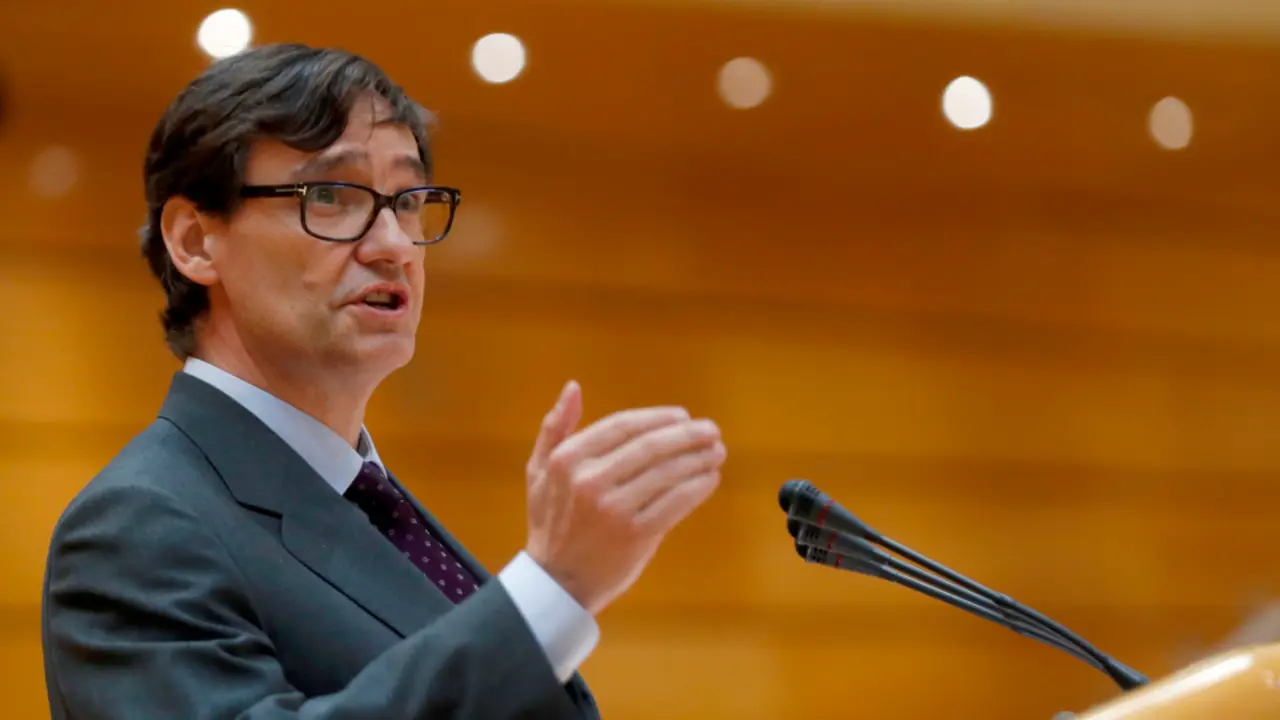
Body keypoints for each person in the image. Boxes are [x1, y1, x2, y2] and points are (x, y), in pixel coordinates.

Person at [41, 43, 726, 719]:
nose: (395, 244)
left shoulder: (370, 503)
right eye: (333, 195)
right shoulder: (138, 526)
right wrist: (553, 585)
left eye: (407, 201)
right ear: (194, 242)